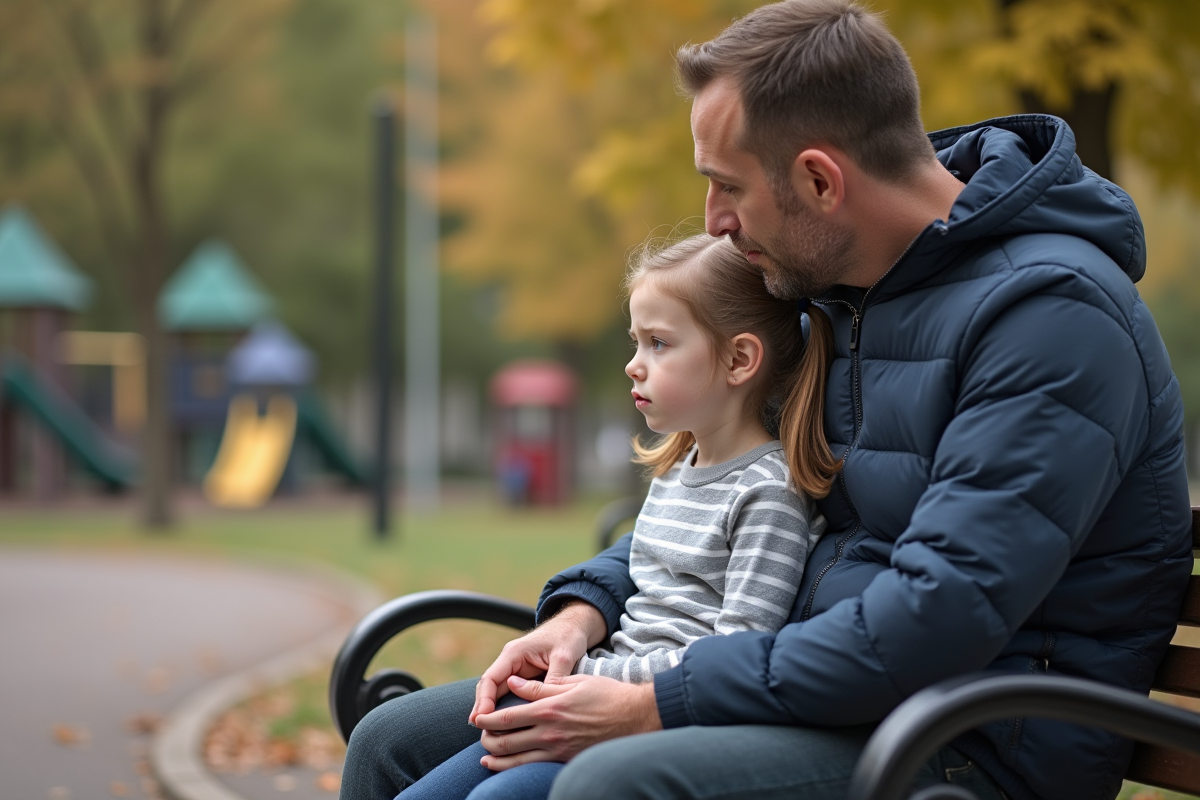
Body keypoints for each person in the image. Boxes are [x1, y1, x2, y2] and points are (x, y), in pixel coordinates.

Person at [341, 2, 1193, 799]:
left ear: (821, 181)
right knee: (395, 741)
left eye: (729, 186)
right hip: (812, 679)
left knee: (606, 782)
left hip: (966, 736)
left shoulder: (1051, 321)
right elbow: (723, 483)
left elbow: (938, 616)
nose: (713, 221)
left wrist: (656, 704)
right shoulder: (842, 290)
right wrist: (580, 614)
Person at [397, 233, 836, 800]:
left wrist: (589, 681)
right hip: (589, 693)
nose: (634, 366)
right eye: (635, 342)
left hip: (645, 727)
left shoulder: (767, 494)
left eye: (659, 343)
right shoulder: (679, 468)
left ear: (739, 359)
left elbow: (737, 654)